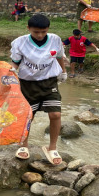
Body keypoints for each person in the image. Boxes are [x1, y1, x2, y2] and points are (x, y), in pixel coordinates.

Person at [10, 14, 68, 165]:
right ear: (28, 28)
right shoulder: (20, 43)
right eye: (36, 32)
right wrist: (11, 71)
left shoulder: (55, 39)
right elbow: (15, 62)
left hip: (49, 82)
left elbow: (60, 56)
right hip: (27, 83)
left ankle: (52, 147)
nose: (40, 35)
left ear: (48, 29)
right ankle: (23, 145)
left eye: (43, 31)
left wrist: (63, 72)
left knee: (55, 114)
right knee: (28, 116)